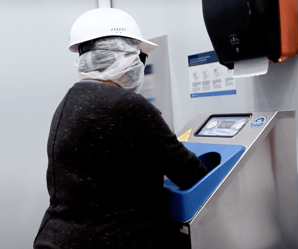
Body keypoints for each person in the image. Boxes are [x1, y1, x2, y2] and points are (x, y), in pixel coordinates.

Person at [33, 8, 207, 249]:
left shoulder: (71, 99)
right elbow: (191, 173)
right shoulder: (128, 105)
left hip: (59, 238)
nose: (141, 67)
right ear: (122, 57)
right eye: (140, 58)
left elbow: (102, 170)